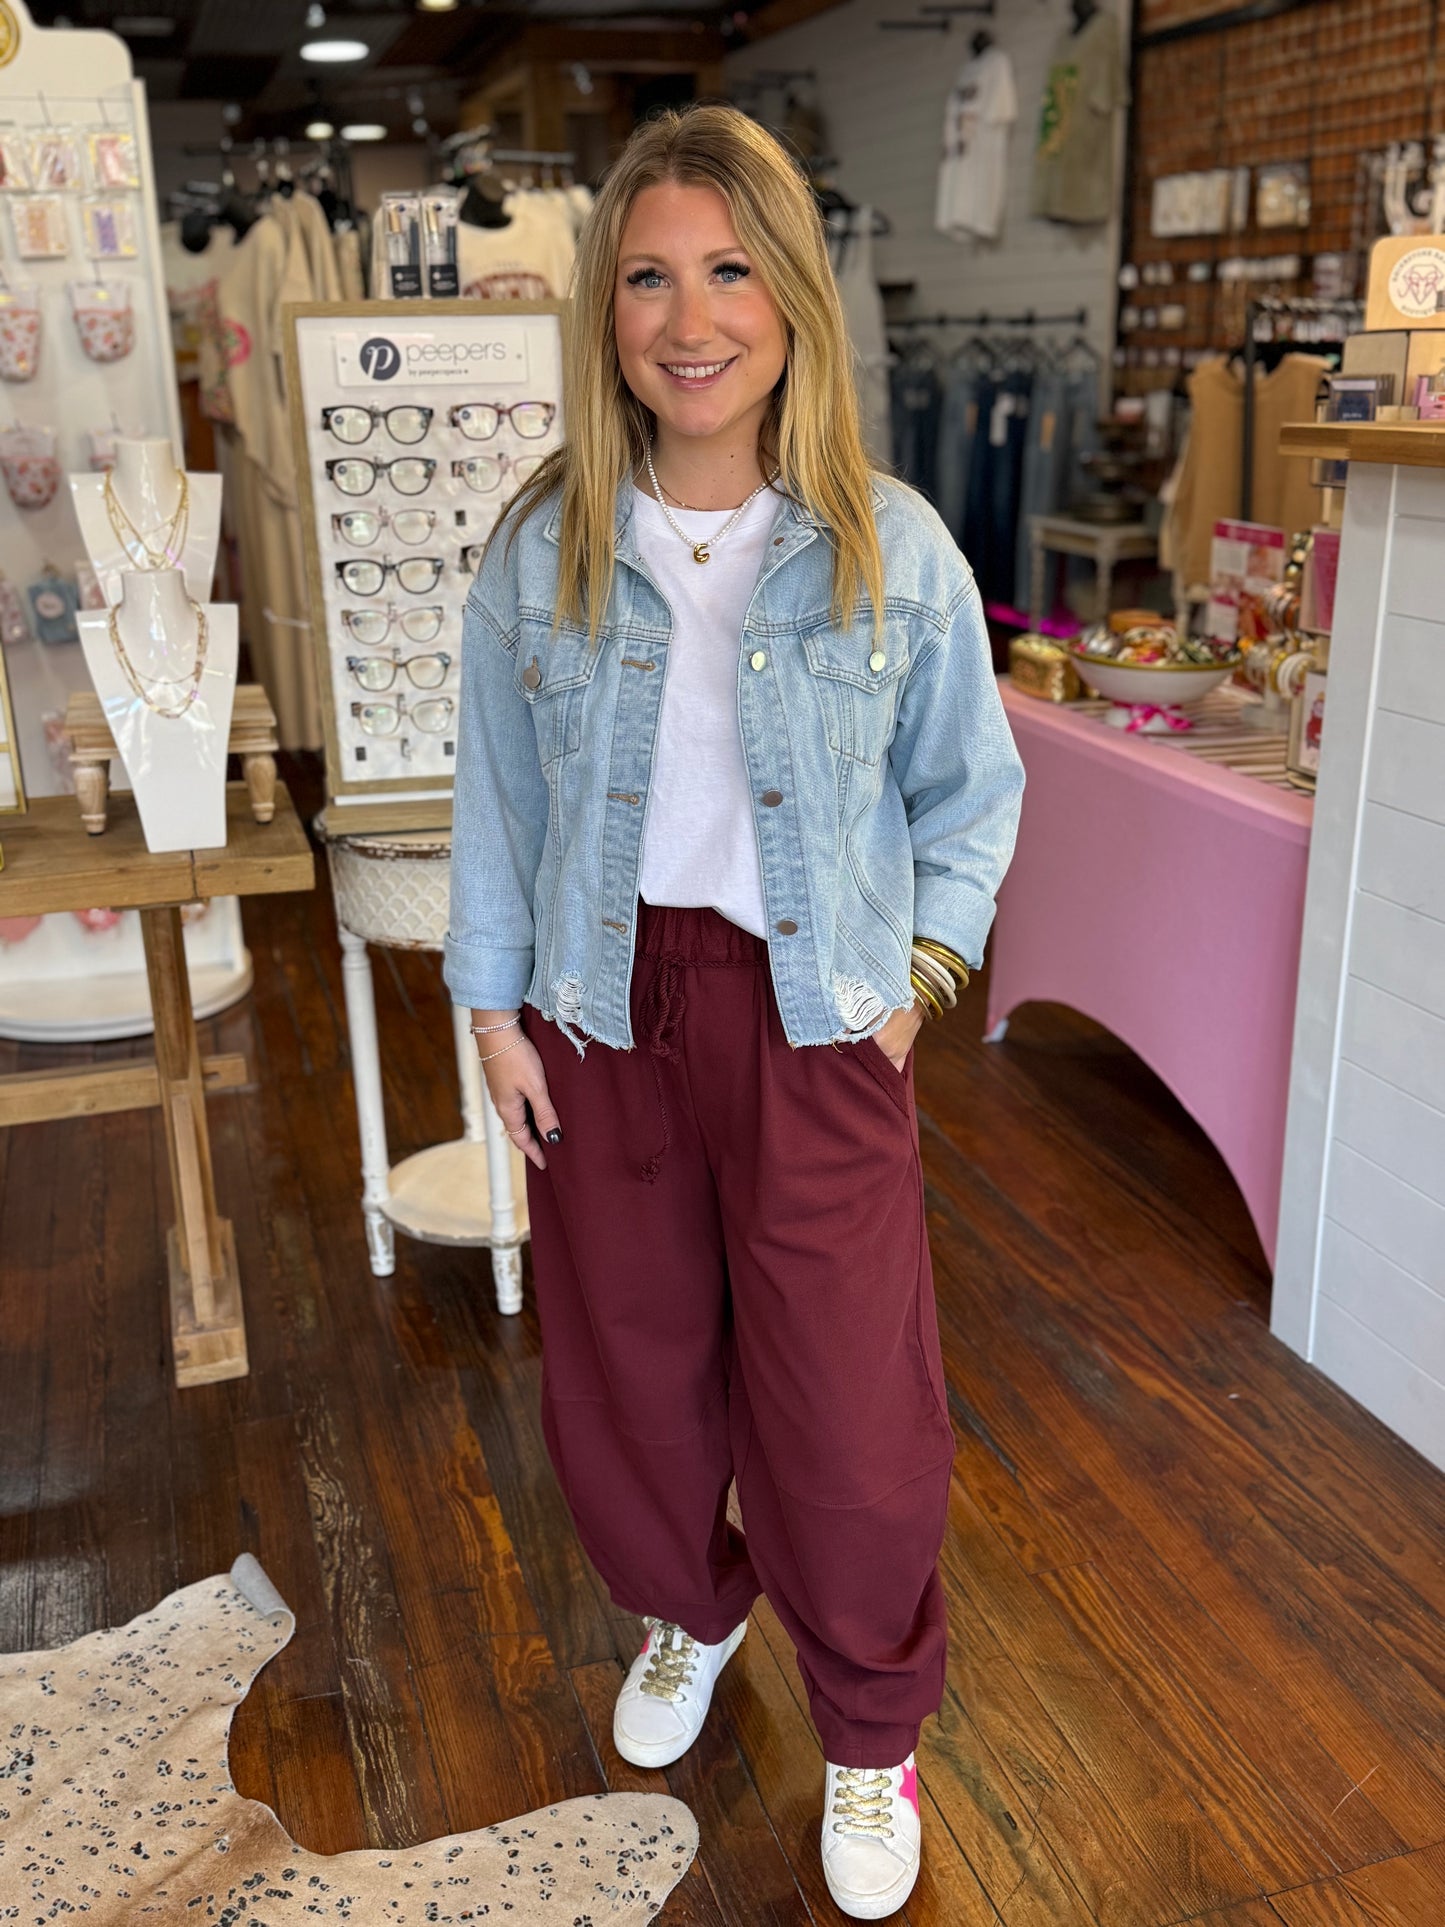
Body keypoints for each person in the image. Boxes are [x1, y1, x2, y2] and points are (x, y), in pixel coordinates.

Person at [444, 102, 1025, 1921]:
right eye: (646, 277)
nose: (688, 319)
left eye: (727, 270)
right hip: (602, 1006)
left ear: (789, 297)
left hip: (814, 1018)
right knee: (627, 1370)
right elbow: (498, 804)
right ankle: (687, 1616)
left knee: (849, 1400)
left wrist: (919, 982)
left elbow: (968, 793)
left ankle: (869, 1730)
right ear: (602, 311)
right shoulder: (542, 546)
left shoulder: (888, 544)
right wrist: (491, 1014)